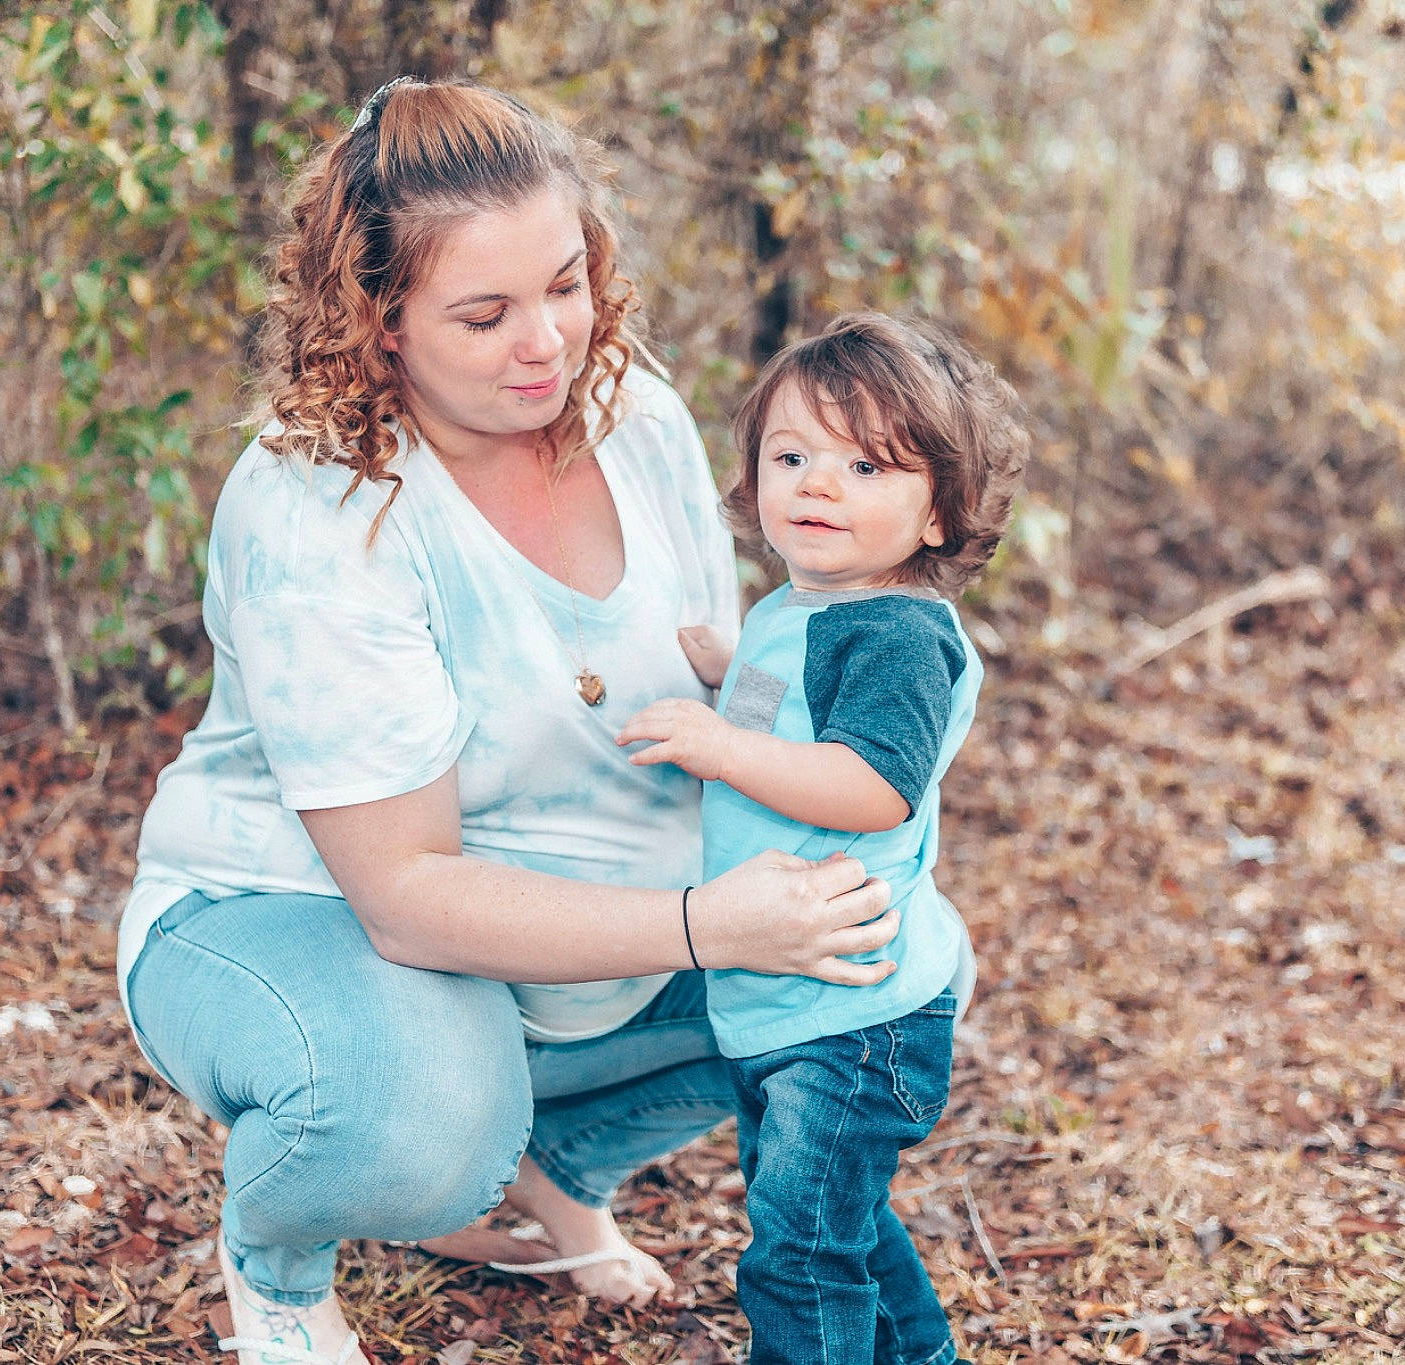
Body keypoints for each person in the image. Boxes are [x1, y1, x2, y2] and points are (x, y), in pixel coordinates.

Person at [117, 79, 905, 1365]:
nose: (545, 341)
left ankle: (546, 1171)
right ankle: (277, 1254)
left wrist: (816, 755)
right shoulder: (320, 508)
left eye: (563, 283)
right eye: (483, 314)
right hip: (295, 911)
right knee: (418, 1120)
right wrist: (707, 924)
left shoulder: (631, 413)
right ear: (377, 324)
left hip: (577, 921)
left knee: (890, 957)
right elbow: (407, 894)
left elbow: (725, 683)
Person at [616, 313, 1028, 1365]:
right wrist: (730, 675)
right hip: (798, 995)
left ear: (938, 513)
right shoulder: (809, 607)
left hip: (854, 1016)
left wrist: (716, 742)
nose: (816, 485)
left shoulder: (891, 633)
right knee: (838, 1224)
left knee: (799, 1253)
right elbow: (792, 717)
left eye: (863, 465)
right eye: (790, 456)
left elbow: (871, 783)